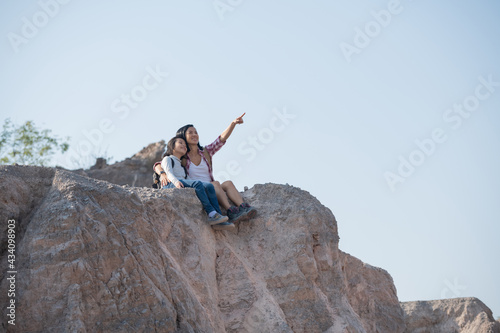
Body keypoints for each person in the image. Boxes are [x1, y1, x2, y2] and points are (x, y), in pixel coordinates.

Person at [155, 113, 256, 223]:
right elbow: (159, 164)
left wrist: (233, 124)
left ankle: (243, 207)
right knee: (216, 184)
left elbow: (221, 139)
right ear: (183, 136)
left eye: (196, 132)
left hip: (212, 187)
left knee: (228, 183)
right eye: (190, 133)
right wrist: (162, 174)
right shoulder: (182, 156)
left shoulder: (206, 152)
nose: (194, 135)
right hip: (199, 188)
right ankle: (231, 211)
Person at [161, 136, 235, 231]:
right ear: (172, 147)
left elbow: (189, 179)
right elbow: (169, 173)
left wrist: (205, 185)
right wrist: (176, 182)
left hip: (181, 182)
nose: (184, 145)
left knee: (208, 186)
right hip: (171, 184)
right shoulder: (168, 159)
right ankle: (211, 213)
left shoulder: (182, 166)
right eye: (180, 143)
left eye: (185, 144)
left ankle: (219, 217)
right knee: (197, 184)